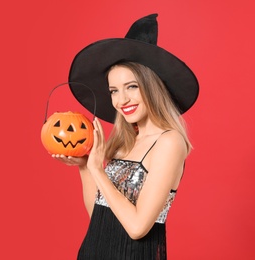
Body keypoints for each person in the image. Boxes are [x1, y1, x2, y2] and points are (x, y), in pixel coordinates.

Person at [52, 13, 199, 260]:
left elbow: (137, 228)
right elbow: (99, 217)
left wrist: (99, 170)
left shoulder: (169, 142)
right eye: (113, 91)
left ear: (151, 87)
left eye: (132, 87)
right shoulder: (125, 141)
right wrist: (86, 168)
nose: (122, 100)